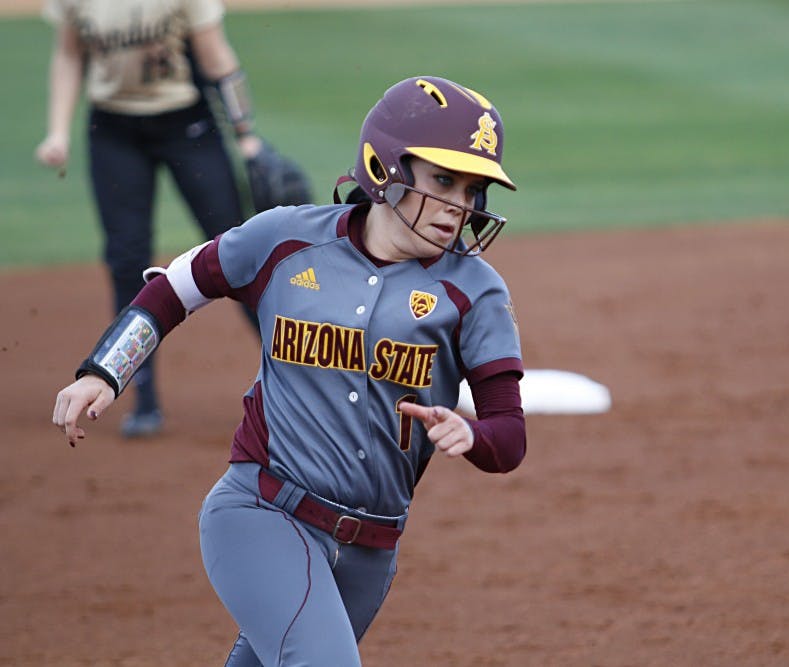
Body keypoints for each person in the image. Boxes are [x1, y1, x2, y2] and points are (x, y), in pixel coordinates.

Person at [52, 75, 527, 666]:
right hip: (262, 513)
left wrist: (473, 434)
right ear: (384, 166)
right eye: (444, 179)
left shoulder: (475, 292)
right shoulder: (286, 239)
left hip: (371, 553)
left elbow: (509, 438)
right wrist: (104, 370)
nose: (460, 204)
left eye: (474, 187)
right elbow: (175, 289)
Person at [36, 0, 267, 438]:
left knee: (238, 252)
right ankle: (139, 395)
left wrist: (246, 135)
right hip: (114, 131)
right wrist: (58, 130)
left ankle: (302, 377)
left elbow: (218, 58)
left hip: (187, 125)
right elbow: (69, 54)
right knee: (126, 258)